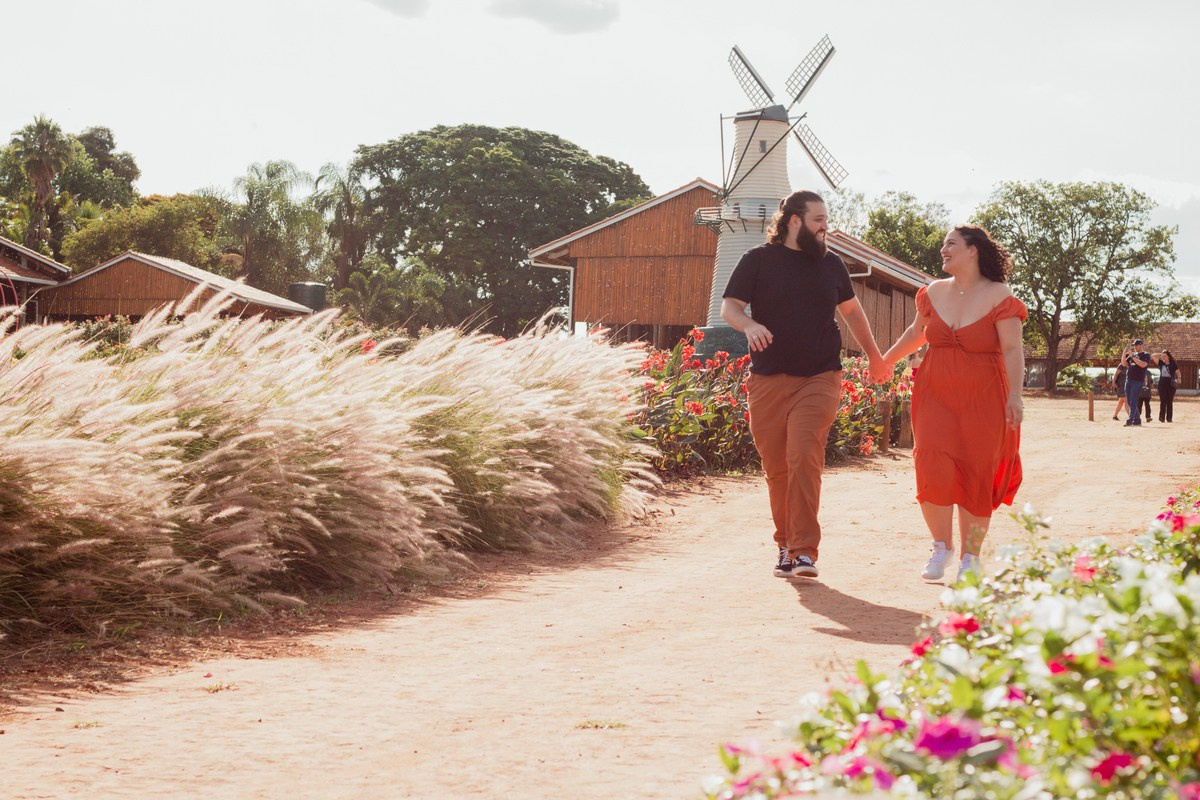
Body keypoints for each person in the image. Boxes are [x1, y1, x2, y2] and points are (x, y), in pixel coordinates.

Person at [721, 189, 889, 580]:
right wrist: (749, 325)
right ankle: (785, 544)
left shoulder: (831, 265)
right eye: (819, 220)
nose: (825, 227)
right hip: (768, 378)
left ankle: (804, 552)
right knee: (777, 467)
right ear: (794, 221)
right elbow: (731, 307)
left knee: (804, 457)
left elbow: (853, 313)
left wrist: (875, 355)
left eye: (826, 220)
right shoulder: (757, 260)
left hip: (820, 375)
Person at [879, 225, 1026, 582]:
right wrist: (885, 361)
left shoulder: (1000, 295)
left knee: (977, 472)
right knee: (932, 466)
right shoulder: (932, 292)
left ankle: (970, 558)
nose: (943, 250)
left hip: (985, 398)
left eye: (950, 244)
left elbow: (1012, 349)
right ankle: (940, 548)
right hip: (934, 394)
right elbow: (915, 335)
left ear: (973, 250)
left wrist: (1015, 395)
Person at [1121, 340, 1152, 427]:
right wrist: (1124, 354)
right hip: (1129, 380)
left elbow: (1143, 365)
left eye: (1136, 345)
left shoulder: (1146, 355)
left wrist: (1133, 357)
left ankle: (1130, 420)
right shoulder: (1132, 354)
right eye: (1134, 345)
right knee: (1129, 401)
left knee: (1133, 401)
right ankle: (1137, 420)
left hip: (1137, 381)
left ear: (1141, 345)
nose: (1134, 347)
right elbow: (1124, 364)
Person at [1157, 349, 1181, 422]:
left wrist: (1179, 378)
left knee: (1169, 401)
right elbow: (1153, 356)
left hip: (1171, 384)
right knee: (1163, 401)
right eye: (1162, 356)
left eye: (1165, 356)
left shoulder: (1173, 364)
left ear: (1168, 357)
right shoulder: (1161, 363)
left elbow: (1178, 372)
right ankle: (1162, 417)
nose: (1163, 357)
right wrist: (1160, 354)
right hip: (1162, 384)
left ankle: (1169, 418)